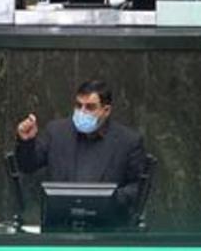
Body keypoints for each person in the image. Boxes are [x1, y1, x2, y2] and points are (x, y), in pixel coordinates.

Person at [15, 80, 146, 215]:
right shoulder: (56, 132)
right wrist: (26, 141)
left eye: (90, 107)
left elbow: (138, 187)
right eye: (78, 106)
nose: (82, 112)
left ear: (106, 110)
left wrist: (109, 200)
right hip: (61, 220)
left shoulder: (128, 141)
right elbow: (27, 165)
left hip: (107, 221)